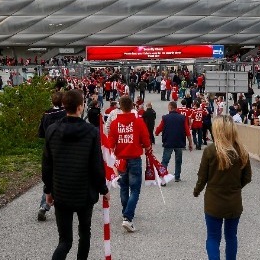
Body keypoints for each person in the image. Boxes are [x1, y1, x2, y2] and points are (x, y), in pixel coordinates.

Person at [42, 89, 109, 259]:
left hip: (61, 191)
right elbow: (96, 165)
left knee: (64, 240)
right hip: (84, 193)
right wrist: (103, 188)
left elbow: (47, 164)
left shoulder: (52, 130)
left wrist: (48, 190)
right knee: (84, 233)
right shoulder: (91, 132)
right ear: (80, 107)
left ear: (64, 106)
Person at [194, 115, 252, 260]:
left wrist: (197, 191)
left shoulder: (210, 151)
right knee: (231, 236)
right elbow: (247, 177)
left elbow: (202, 177)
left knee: (213, 238)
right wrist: (235, 187)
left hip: (213, 201)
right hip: (234, 201)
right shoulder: (242, 151)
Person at [109, 96, 151, 232]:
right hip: (134, 158)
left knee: (123, 187)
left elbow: (110, 143)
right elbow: (146, 139)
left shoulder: (115, 123)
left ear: (120, 107)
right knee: (135, 189)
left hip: (121, 159)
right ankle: (128, 216)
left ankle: (125, 211)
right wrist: (147, 147)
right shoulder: (138, 122)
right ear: (132, 106)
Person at [37, 91, 66, 221]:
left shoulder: (46, 114)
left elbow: (41, 133)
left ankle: (44, 205)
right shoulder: (65, 113)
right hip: (64, 148)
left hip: (49, 148)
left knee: (49, 176)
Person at [155, 101, 194, 182]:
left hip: (168, 142)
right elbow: (187, 131)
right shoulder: (182, 118)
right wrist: (190, 143)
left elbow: (159, 128)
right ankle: (177, 176)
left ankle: (163, 178)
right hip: (179, 142)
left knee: (165, 161)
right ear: (176, 108)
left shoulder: (165, 118)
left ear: (170, 107)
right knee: (178, 160)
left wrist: (157, 133)